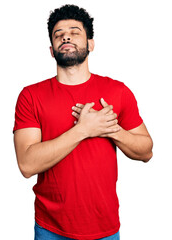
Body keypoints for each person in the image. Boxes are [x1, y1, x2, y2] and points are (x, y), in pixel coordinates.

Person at [13, 4, 153, 240]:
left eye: (75, 31)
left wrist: (111, 128)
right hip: (50, 228)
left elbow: (146, 151)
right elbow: (27, 164)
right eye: (58, 34)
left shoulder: (118, 91)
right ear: (51, 49)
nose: (66, 36)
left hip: (105, 227)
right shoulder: (30, 95)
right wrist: (83, 130)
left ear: (91, 44)